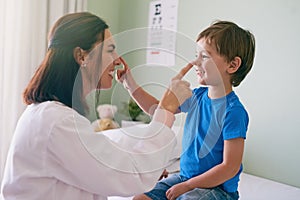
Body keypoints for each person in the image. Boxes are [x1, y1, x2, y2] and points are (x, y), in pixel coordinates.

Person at [0, 12, 193, 200]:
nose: (118, 60)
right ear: (81, 56)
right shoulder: (56, 122)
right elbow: (131, 174)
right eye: (110, 50)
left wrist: (150, 165)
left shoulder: (49, 115)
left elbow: (109, 160)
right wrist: (166, 109)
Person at [119, 21, 255, 200]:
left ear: (232, 65)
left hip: (218, 189)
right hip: (185, 178)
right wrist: (130, 85)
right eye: (196, 55)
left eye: (204, 56)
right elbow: (158, 109)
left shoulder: (233, 112)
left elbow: (230, 167)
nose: (195, 62)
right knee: (139, 198)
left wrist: (188, 186)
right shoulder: (197, 97)